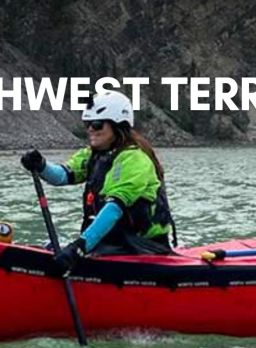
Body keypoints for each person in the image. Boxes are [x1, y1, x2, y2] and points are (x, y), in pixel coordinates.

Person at [20, 90, 175, 269]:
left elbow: (114, 209)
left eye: (97, 124)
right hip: (111, 243)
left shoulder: (135, 159)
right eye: (88, 124)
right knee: (49, 247)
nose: (90, 129)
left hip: (142, 247)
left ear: (118, 125)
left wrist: (79, 247)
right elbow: (62, 176)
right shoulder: (93, 155)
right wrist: (41, 165)